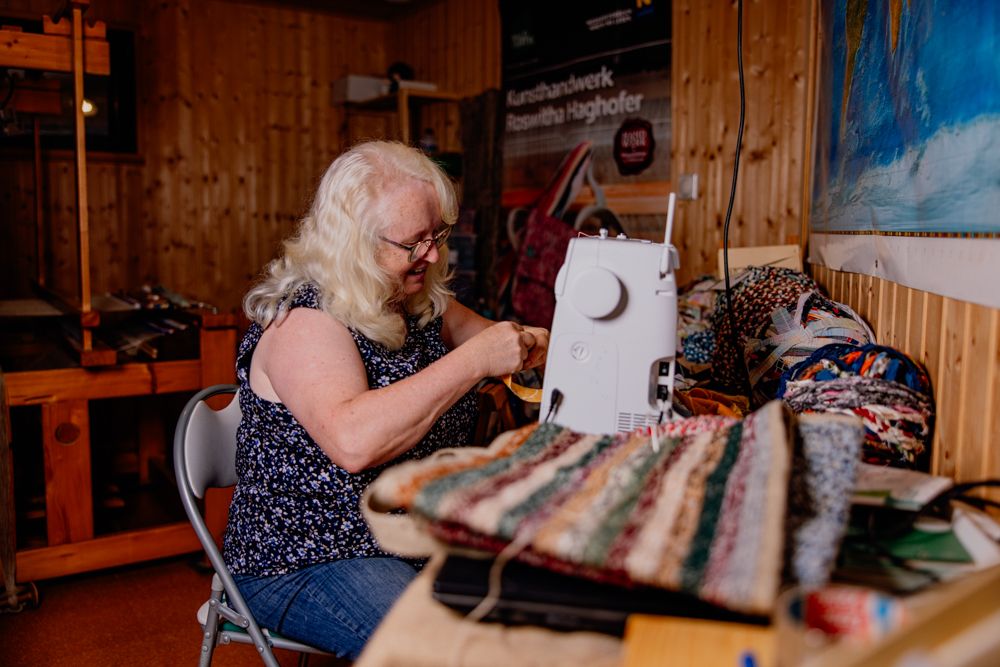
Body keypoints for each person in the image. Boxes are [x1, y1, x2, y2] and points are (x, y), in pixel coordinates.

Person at [223, 140, 549, 660]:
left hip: (406, 532)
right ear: (353, 240)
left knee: (551, 596)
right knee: (449, 650)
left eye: (436, 234)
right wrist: (474, 361)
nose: (433, 255)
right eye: (413, 242)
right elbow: (354, 443)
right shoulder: (305, 322)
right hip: (310, 553)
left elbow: (500, 343)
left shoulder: (412, 299)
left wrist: (541, 343)